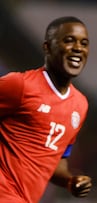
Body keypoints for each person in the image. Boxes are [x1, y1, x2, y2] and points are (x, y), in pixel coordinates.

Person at [0, 16, 92, 203]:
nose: (78, 48)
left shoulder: (80, 105)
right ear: (47, 47)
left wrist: (69, 180)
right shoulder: (20, 86)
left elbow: (54, 160)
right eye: (68, 40)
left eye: (84, 43)